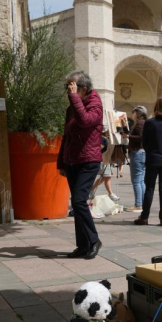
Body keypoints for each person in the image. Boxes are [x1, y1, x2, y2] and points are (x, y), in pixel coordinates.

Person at [57, 70, 103, 259]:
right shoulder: (72, 107)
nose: (69, 91)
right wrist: (61, 162)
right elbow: (66, 137)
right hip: (73, 161)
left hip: (89, 161)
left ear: (83, 88)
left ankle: (94, 240)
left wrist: (74, 97)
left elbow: (85, 121)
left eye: (72, 87)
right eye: (67, 87)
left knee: (78, 200)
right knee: (77, 205)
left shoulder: (95, 104)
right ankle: (83, 245)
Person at [134, 97, 162, 227]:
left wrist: (151, 150)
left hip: (153, 158)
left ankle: (145, 217)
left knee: (150, 187)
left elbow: (144, 142)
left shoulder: (150, 122)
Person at [125, 105, 147, 212]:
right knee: (141, 180)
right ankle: (142, 203)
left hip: (138, 153)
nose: (132, 114)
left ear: (138, 113)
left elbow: (140, 138)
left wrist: (128, 136)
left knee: (136, 181)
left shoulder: (140, 123)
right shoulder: (143, 123)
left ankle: (138, 204)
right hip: (142, 153)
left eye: (133, 112)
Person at [89, 136, 119, 203]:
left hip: (105, 159)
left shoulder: (104, 137)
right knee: (107, 177)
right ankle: (110, 194)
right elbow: (100, 147)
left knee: (104, 177)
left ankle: (91, 190)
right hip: (103, 159)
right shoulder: (101, 137)